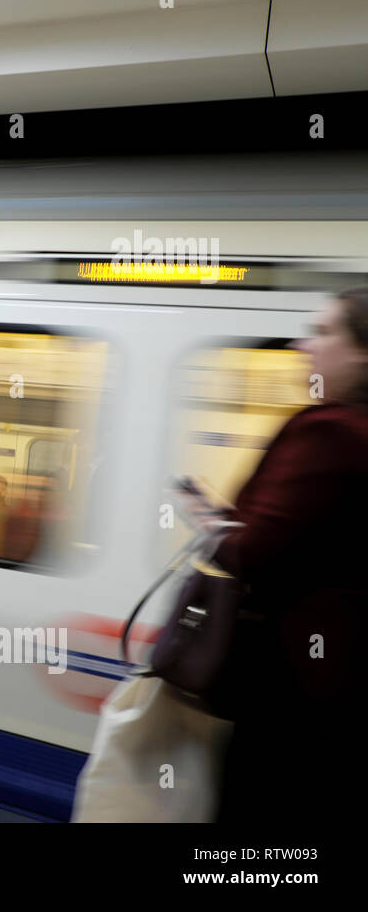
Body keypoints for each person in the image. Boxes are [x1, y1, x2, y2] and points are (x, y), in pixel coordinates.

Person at [176, 287, 368, 824]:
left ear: (363, 353)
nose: (304, 345)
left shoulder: (329, 430)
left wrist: (208, 521)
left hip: (295, 697)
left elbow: (255, 551)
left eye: (326, 332)